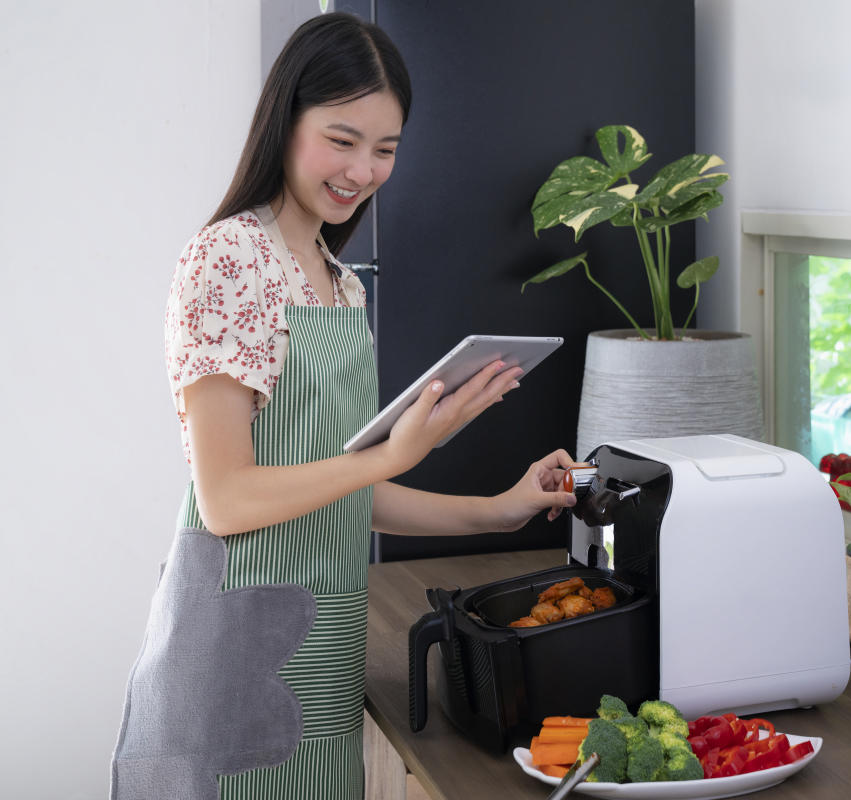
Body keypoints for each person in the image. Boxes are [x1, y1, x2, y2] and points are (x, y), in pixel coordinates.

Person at [111, 13, 578, 800]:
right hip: (233, 670)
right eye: (342, 138)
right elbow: (226, 500)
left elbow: (339, 498)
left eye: (386, 148)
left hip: (322, 663)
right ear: (285, 120)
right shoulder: (229, 258)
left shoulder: (339, 280)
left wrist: (498, 511)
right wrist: (395, 451)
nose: (363, 169)